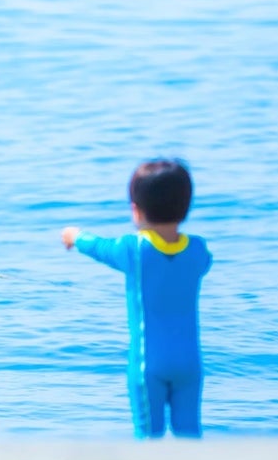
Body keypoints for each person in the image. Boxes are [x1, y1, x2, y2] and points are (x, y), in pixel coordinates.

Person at [61, 159, 213, 438]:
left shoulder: (133, 249)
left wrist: (73, 235)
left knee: (147, 436)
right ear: (186, 207)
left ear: (136, 210)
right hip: (189, 362)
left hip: (149, 363)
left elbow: (97, 246)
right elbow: (202, 263)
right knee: (190, 433)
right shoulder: (199, 250)